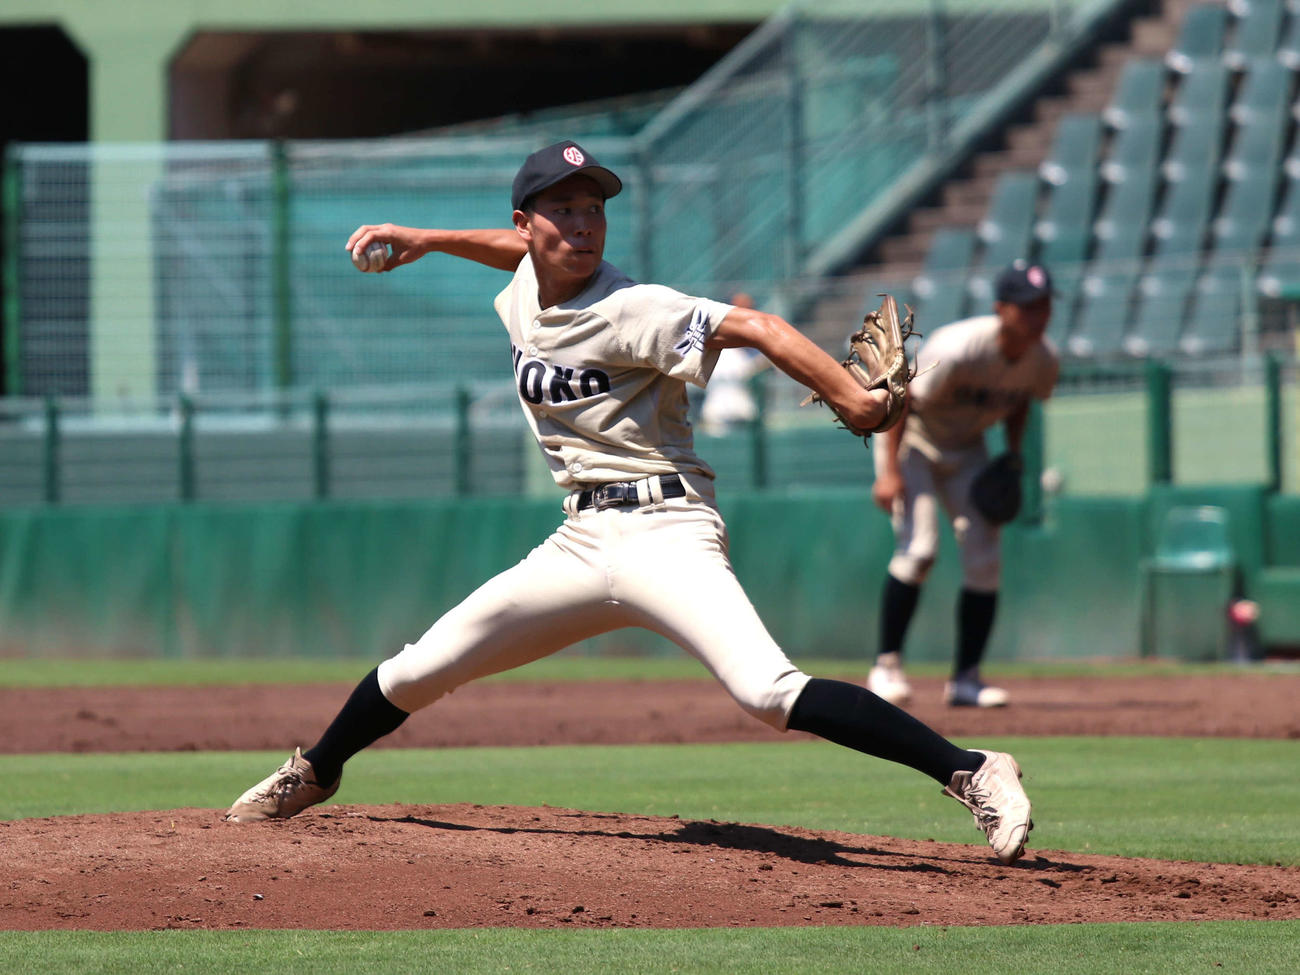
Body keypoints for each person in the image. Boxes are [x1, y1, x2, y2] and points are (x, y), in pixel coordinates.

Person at [223, 140, 1034, 866]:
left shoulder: (632, 306)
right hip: (580, 541)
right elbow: (515, 256)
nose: (583, 224)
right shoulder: (524, 288)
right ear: (529, 221)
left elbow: (754, 324)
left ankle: (971, 769)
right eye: (565, 210)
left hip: (667, 529)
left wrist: (853, 401)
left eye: (595, 210)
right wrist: (429, 241)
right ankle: (316, 771)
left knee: (767, 692)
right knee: (420, 666)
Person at [867, 261, 1060, 709]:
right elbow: (902, 402)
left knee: (984, 558)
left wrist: (1011, 454)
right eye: (1029, 306)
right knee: (919, 551)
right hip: (913, 440)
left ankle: (967, 680)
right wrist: (889, 472)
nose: (1039, 315)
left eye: (1045, 305)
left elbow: (1020, 403)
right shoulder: (957, 348)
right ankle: (886, 666)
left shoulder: (1042, 358)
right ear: (1002, 309)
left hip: (968, 450)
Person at [698, 292, 767, 435]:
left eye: (749, 309)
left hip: (745, 414)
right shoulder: (718, 344)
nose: (746, 314)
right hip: (719, 416)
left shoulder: (757, 346)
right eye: (740, 309)